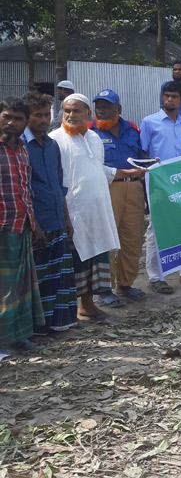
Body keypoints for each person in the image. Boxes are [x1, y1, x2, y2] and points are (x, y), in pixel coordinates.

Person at [50, 94, 123, 321]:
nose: (71, 115)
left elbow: (98, 170)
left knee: (96, 257)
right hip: (72, 212)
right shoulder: (56, 140)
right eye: (66, 111)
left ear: (87, 115)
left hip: (97, 209)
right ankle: (69, 312)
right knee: (75, 260)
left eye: (76, 111)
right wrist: (65, 215)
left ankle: (88, 305)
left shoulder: (94, 139)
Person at [141, 82, 181, 293]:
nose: (169, 100)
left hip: (180, 183)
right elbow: (143, 155)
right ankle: (155, 277)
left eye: (174, 97)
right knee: (156, 229)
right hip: (158, 184)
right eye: (166, 96)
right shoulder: (149, 122)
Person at [22, 92, 77, 333]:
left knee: (59, 274)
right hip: (36, 224)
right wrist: (35, 224)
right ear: (26, 117)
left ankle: (58, 323)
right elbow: (23, 190)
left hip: (56, 219)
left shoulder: (53, 145)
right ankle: (37, 329)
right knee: (38, 278)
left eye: (47, 114)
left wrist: (66, 219)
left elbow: (59, 185)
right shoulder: (20, 147)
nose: (44, 120)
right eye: (38, 115)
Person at [90, 90, 150, 304]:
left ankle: (126, 284)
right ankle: (104, 290)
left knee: (132, 237)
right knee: (106, 239)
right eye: (99, 106)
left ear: (119, 109)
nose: (102, 111)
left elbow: (141, 155)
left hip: (134, 188)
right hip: (107, 189)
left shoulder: (132, 129)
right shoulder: (90, 132)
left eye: (107, 106)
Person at [1, 97, 46, 351]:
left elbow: (25, 192)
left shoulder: (21, 150)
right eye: (6, 116)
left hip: (21, 226)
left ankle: (15, 338)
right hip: (2, 227)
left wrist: (34, 224)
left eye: (17, 119)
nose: (11, 123)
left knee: (18, 288)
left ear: (24, 122)